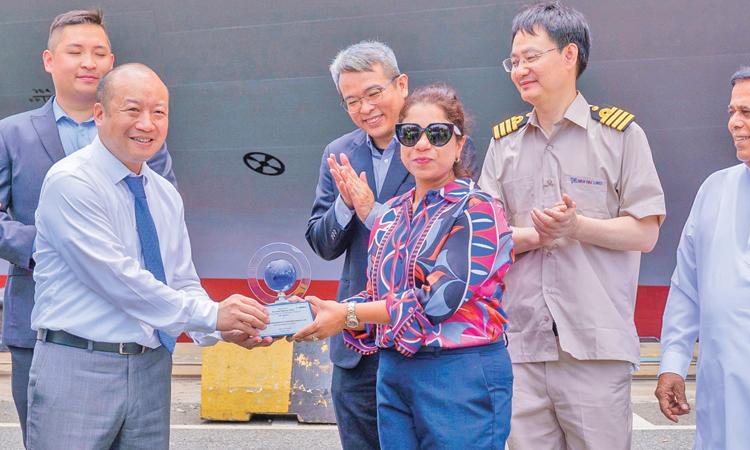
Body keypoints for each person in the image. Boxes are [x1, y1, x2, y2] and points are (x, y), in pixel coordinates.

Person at [26, 63, 272, 450]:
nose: (147, 123)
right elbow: (117, 279)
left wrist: (222, 329)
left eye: (159, 112)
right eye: (133, 110)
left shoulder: (163, 193)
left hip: (152, 370)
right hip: (79, 367)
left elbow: (181, 280)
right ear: (100, 114)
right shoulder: (70, 182)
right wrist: (212, 314)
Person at [477, 3, 666, 449]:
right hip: (523, 346)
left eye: (531, 56)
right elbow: (485, 241)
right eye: (514, 60)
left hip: (594, 348)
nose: (520, 69)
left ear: (569, 56)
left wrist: (577, 226)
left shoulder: (620, 136)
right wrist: (537, 236)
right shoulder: (502, 144)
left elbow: (646, 232)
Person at [296, 83, 514, 449]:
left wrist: (347, 313)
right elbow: (379, 293)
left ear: (460, 144)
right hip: (394, 371)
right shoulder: (393, 214)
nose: (422, 144)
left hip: (458, 373)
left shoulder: (477, 210)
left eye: (438, 134)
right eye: (410, 134)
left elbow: (438, 299)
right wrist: (325, 312)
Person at [0, 9, 177, 444]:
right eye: (75, 51)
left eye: (99, 53)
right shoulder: (12, 134)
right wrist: (45, 246)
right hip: (44, 327)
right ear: (48, 60)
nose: (88, 62)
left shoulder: (143, 134)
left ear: (111, 62)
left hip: (137, 325)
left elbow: (165, 212)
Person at [656, 65, 750, 449]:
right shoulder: (715, 189)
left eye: (747, 113)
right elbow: (687, 286)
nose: (735, 123)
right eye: (731, 112)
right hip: (718, 404)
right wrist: (672, 362)